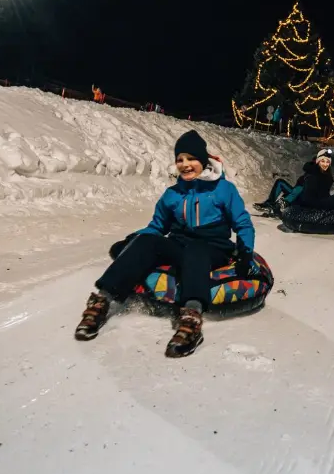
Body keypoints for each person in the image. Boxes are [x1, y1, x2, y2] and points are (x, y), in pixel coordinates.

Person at [74, 130, 257, 358]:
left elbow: (243, 223)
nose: (185, 164)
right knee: (148, 242)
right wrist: (133, 241)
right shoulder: (172, 194)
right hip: (180, 245)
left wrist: (246, 252)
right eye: (180, 159)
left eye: (191, 159)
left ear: (203, 160)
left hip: (213, 248)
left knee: (196, 249)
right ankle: (102, 301)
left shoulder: (223, 189)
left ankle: (191, 317)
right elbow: (157, 226)